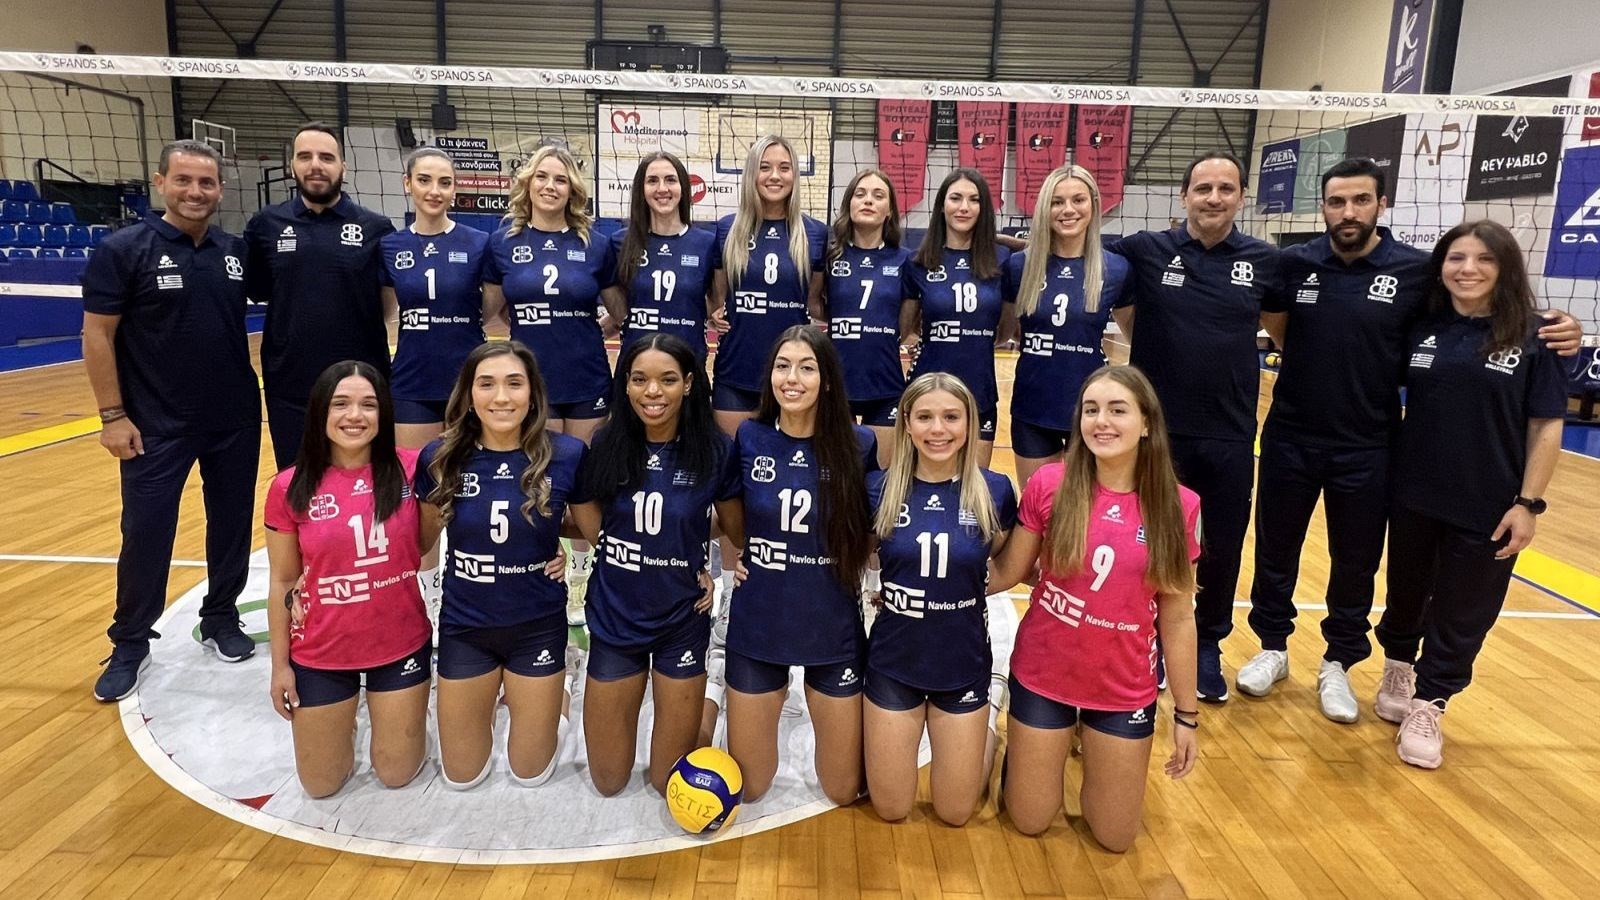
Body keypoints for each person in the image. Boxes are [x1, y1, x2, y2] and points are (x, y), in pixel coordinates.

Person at [1237, 159, 1584, 721]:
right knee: (1275, 550)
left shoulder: (1417, 271)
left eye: (1360, 200)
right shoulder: (1293, 263)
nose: (1348, 212)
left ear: (1382, 203)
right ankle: (1271, 647)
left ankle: (1338, 661)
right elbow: (1280, 329)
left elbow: (1477, 311)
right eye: (1336, 201)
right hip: (1291, 435)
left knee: (1356, 561)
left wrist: (1561, 324)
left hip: (1371, 444)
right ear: (1323, 207)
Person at [1376, 220, 1566, 769]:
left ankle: (1430, 702)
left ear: (1505, 268)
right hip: (1414, 492)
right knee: (1406, 593)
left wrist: (1528, 504)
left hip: (1488, 503)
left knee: (1464, 610)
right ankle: (1399, 667)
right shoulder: (1423, 328)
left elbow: (1546, 426)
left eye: (1484, 259)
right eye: (1457, 258)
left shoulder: (1537, 337)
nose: (1468, 269)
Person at [988, 365, 1201, 850]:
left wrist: (1186, 716)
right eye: (1091, 410)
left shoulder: (1179, 505)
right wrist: (930, 582)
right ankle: (1010, 745)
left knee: (1115, 836)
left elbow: (1178, 617)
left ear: (1146, 423)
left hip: (1122, 687)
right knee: (1030, 820)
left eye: (1117, 410)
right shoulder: (1050, 484)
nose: (1101, 421)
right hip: (1044, 674)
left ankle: (1084, 753)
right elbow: (1008, 572)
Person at [82, 139, 262, 701]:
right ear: (160, 182)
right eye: (183, 180)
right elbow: (97, 335)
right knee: (145, 532)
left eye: (206, 182)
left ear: (220, 190)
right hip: (155, 423)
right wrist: (112, 415)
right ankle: (131, 641)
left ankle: (221, 614)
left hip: (232, 416)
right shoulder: (123, 250)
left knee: (231, 524)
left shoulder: (235, 252)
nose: (195, 192)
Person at [1105, 151, 1279, 703]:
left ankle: (1207, 644)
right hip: (1157, 434)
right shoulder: (1146, 249)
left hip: (1230, 433)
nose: (1213, 198)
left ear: (1241, 197)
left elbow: (1285, 331)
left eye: (1226, 188)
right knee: (1151, 540)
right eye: (1203, 188)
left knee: (1222, 546)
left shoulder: (1264, 260)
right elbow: (1077, 254)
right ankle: (1149, 639)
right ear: (1184, 196)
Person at [566, 334, 741, 795]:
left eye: (667, 380)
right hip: (617, 616)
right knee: (608, 781)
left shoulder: (714, 450)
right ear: (625, 384)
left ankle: (712, 694)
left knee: (669, 782)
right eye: (640, 379)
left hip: (681, 618)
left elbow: (734, 527)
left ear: (689, 383)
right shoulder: (606, 442)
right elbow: (593, 524)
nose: (652, 392)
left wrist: (686, 550)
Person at [415, 341, 584, 789]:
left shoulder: (566, 454)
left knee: (531, 773)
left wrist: (551, 535)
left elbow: (596, 529)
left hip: (537, 626)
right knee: (461, 776)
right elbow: (421, 540)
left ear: (533, 393)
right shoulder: (440, 457)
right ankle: (486, 698)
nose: (502, 397)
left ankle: (564, 688)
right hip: (466, 626)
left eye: (514, 383)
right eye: (486, 384)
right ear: (469, 394)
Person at [264, 362, 431, 798]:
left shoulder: (414, 469)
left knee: (397, 773)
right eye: (341, 404)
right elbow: (282, 582)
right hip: (321, 650)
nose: (354, 415)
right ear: (321, 411)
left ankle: (403, 715)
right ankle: (344, 721)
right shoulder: (289, 487)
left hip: (400, 642)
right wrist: (280, 667)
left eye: (368, 405)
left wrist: (548, 546)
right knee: (320, 785)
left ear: (384, 414)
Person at [724, 325, 876, 805]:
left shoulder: (859, 444)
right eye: (782, 366)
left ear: (827, 380)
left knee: (843, 790)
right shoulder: (749, 436)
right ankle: (712, 690)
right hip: (761, 620)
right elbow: (732, 518)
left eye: (806, 368)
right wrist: (746, 554)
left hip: (830, 622)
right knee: (750, 788)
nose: (791, 379)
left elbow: (872, 527)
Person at [864, 373, 1015, 826]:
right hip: (894, 662)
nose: (938, 429)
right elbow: (851, 555)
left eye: (951, 417)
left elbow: (1005, 565)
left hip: (962, 663)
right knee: (891, 809)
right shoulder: (878, 488)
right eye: (925, 417)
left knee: (955, 813)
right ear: (906, 423)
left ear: (969, 424)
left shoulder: (994, 490)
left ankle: (989, 713)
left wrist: (951, 594)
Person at [483, 144, 616, 625]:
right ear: (528, 183)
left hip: (586, 378)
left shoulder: (595, 243)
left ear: (572, 189)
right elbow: (492, 312)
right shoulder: (502, 242)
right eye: (542, 177)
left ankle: (580, 575)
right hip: (530, 387)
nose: (550, 186)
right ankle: (540, 571)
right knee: (537, 483)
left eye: (560, 179)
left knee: (584, 483)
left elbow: (619, 312)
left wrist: (586, 328)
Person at [246, 122, 395, 470]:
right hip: (290, 386)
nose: (316, 165)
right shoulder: (265, 225)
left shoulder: (376, 228)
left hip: (361, 385)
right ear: (292, 166)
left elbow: (387, 308)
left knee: (362, 483)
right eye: (305, 156)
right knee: (298, 481)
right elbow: (258, 290)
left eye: (326, 157)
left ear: (343, 166)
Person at [1004, 165, 1130, 489]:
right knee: (1036, 505)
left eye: (1078, 200)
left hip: (1092, 410)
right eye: (1057, 202)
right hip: (1033, 406)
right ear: (1045, 208)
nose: (1068, 210)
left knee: (1086, 509)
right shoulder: (1019, 267)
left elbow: (1135, 335)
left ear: (1094, 205)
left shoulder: (1115, 269)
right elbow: (1009, 330)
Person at [707, 135, 829, 437]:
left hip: (792, 375)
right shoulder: (727, 229)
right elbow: (717, 298)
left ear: (795, 175)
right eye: (765, 167)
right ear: (752, 173)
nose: (775, 176)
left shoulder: (814, 233)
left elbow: (814, 301)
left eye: (784, 168)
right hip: (737, 369)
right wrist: (713, 314)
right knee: (732, 459)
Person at [380, 147, 491, 450]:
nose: (434, 191)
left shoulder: (479, 243)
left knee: (469, 470)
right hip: (412, 379)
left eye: (444, 182)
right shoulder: (390, 246)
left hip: (468, 377)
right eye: (424, 180)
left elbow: (491, 310)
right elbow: (386, 312)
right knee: (416, 471)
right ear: (407, 183)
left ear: (454, 188)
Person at [903, 168, 1011, 467]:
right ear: (941, 205)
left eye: (974, 200)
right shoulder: (918, 262)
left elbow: (1005, 331)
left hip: (980, 390)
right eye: (956, 198)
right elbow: (907, 327)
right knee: (923, 481)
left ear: (984, 209)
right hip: (928, 387)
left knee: (975, 485)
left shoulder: (1003, 260)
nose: (964, 207)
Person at [817, 168, 912, 467]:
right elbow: (815, 304)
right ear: (849, 204)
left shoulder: (905, 260)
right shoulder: (830, 256)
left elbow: (906, 322)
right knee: (838, 478)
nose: (868, 200)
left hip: (886, 385)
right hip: (836, 384)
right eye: (860, 194)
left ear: (889, 210)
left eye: (878, 195)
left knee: (879, 480)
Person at [603, 151, 718, 359]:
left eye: (671, 180)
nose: (662, 188)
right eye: (652, 181)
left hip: (687, 361)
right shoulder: (620, 242)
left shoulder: (707, 243)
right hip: (636, 362)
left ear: (683, 187)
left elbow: (714, 301)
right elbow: (618, 309)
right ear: (642, 189)